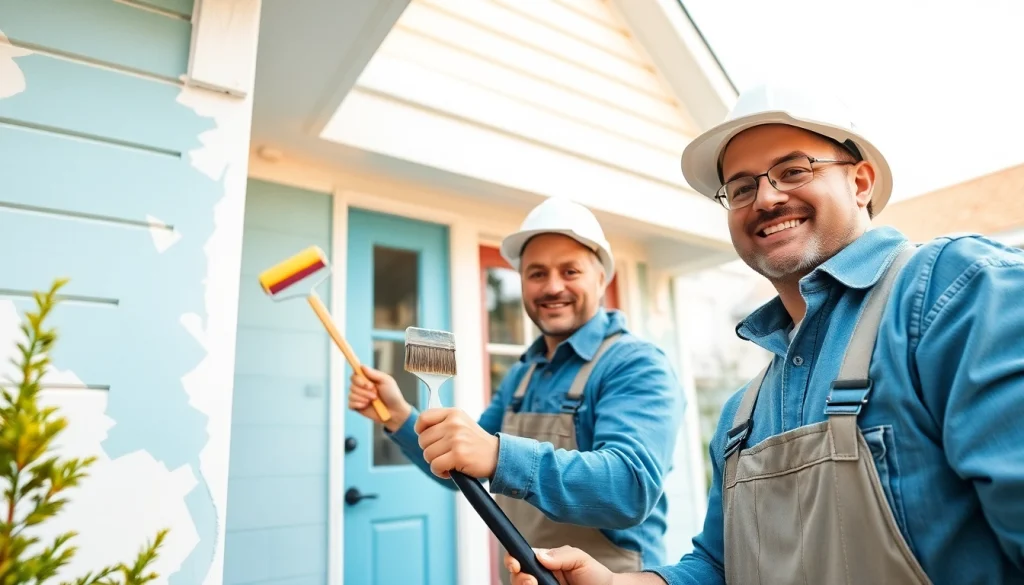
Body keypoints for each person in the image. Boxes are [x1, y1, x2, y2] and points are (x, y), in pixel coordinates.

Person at [504, 84, 1024, 585]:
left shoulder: (954, 292)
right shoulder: (741, 416)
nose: (767, 198)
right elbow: (718, 567)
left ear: (861, 182)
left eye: (793, 170)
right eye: (742, 187)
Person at [348, 197, 685, 583]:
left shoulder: (635, 364)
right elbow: (460, 467)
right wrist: (398, 415)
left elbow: (629, 487)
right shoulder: (523, 374)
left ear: (601, 278)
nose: (552, 286)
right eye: (537, 273)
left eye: (570, 271)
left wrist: (496, 454)